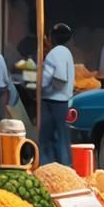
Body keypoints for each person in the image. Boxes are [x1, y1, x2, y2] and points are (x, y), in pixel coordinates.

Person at [40, 22, 74, 166]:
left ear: (51, 38)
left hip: (52, 101)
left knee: (46, 140)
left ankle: (49, 169)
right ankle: (66, 170)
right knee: (62, 138)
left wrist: (41, 87)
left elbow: (59, 78)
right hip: (64, 101)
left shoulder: (54, 54)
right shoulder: (66, 52)